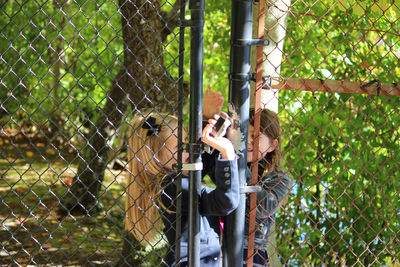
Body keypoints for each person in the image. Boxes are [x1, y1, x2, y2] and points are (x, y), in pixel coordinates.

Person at [125, 112, 239, 267]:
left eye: (186, 141)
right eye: (179, 146)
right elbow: (225, 202)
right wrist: (227, 154)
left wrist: (209, 132)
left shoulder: (170, 181)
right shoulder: (171, 186)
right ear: (155, 155)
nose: (187, 149)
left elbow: (201, 164)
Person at [202, 90, 292, 267]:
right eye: (243, 134)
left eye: (256, 136)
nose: (247, 141)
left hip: (251, 254)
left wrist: (235, 156)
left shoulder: (280, 179)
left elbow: (262, 207)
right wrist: (209, 125)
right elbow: (201, 169)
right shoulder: (227, 161)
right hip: (217, 252)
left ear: (273, 145)